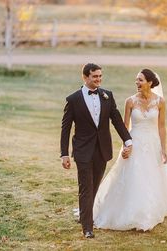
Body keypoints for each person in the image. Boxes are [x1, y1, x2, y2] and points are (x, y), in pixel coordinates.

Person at [93, 69, 167, 231]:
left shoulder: (160, 102)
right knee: (134, 174)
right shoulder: (130, 101)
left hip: (153, 143)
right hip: (135, 142)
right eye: (136, 80)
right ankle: (130, 211)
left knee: (151, 175)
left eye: (141, 80)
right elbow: (124, 127)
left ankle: (149, 210)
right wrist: (126, 145)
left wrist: (164, 149)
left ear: (150, 83)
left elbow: (161, 126)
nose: (137, 83)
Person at [60, 63, 132, 238]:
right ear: (85, 77)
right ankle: (87, 227)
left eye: (100, 76)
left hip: (102, 149)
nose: (98, 79)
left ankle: (85, 215)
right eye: (95, 76)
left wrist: (128, 140)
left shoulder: (108, 96)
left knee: (94, 185)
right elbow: (66, 128)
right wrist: (64, 153)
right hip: (83, 150)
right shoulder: (73, 99)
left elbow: (116, 120)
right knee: (86, 187)